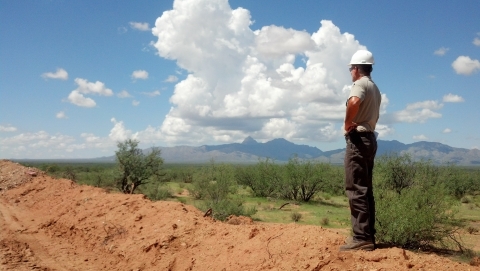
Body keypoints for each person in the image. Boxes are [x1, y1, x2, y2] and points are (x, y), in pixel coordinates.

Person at [340, 49, 382, 252]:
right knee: (365, 189)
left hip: (358, 139)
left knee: (355, 188)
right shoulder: (374, 87)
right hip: (370, 139)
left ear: (356, 68)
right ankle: (368, 236)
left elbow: (354, 101)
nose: (350, 72)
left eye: (351, 69)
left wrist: (348, 122)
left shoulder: (360, 84)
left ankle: (361, 238)